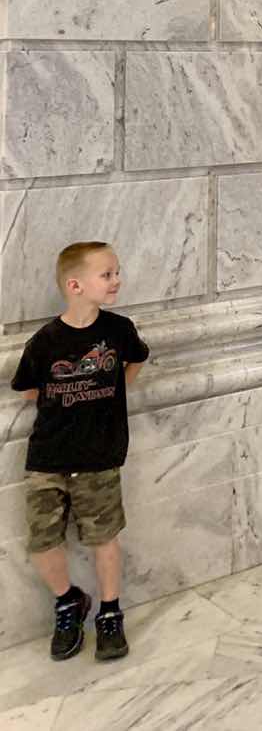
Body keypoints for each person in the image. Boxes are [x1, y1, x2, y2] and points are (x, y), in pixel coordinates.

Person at [11, 242, 149, 661]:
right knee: (42, 540)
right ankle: (68, 601)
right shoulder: (45, 342)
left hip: (100, 456)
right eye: (107, 274)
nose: (116, 280)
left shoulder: (119, 331)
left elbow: (136, 360)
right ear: (76, 285)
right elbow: (29, 389)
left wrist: (115, 390)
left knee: (104, 537)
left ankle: (110, 612)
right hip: (48, 458)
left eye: (117, 272)